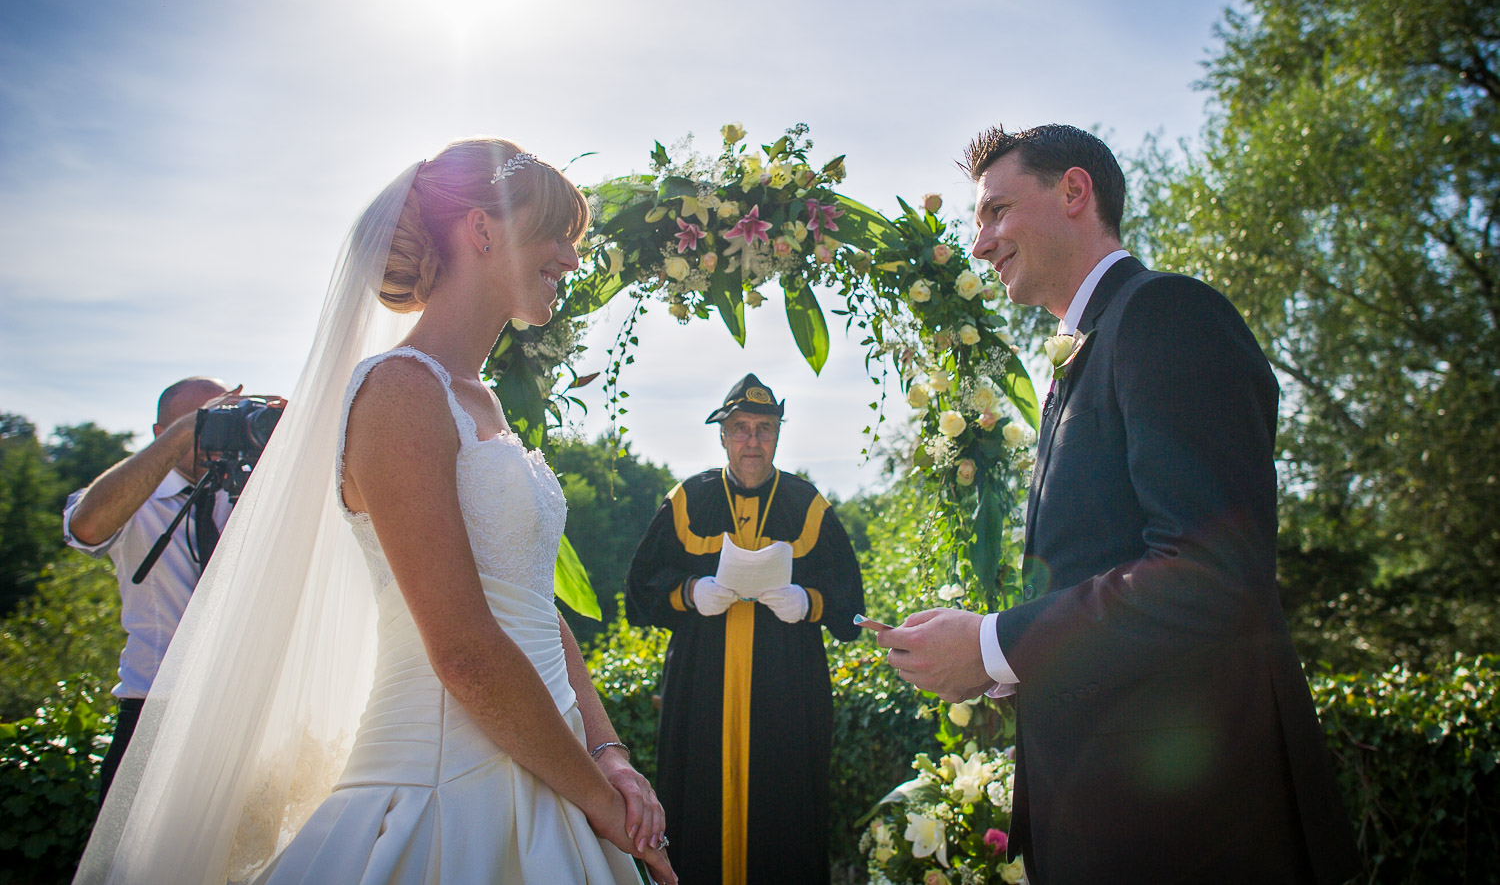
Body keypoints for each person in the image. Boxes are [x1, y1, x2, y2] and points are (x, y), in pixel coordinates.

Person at [76, 139, 675, 885]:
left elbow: (532, 606)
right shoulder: (397, 392)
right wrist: (598, 801)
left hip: (551, 772)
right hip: (442, 791)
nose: (572, 257)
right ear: (482, 230)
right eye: (556, 232)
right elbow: (461, 649)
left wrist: (608, 757)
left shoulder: (481, 400)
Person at [878, 125, 1361, 884]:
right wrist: (996, 667)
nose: (980, 243)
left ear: (1075, 191)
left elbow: (1208, 577)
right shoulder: (1093, 351)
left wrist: (994, 642)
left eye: (996, 211)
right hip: (1115, 820)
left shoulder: (1164, 314)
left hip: (1191, 830)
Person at [625, 375, 866, 885]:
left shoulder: (809, 504)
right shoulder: (688, 498)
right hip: (701, 687)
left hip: (787, 688)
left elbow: (849, 603)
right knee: (698, 805)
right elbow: (640, 587)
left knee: (785, 811)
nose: (752, 441)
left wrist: (810, 602)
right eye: (740, 429)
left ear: (778, 434)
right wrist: (689, 591)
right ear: (722, 435)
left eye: (764, 428)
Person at [63, 376, 250, 806]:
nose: (211, 437)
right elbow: (87, 527)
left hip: (242, 706)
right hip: (152, 710)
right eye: (199, 422)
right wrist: (190, 428)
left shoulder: (252, 493)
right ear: (159, 434)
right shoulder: (130, 496)